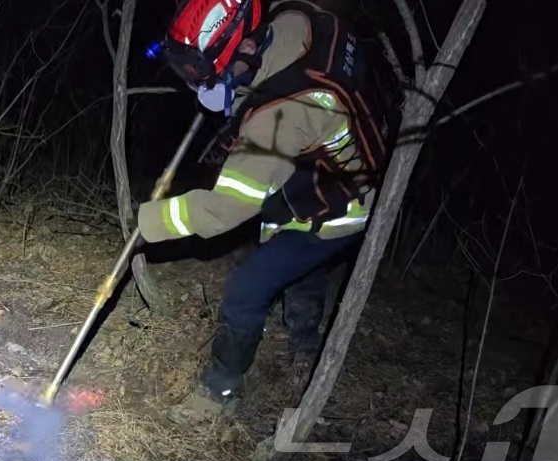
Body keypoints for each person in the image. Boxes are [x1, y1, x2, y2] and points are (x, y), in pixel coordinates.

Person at [135, 0, 398, 425]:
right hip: (324, 165)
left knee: (249, 286)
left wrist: (148, 222)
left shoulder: (276, 118)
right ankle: (303, 340)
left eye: (198, 70)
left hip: (336, 205)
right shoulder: (294, 16)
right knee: (289, 251)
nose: (192, 81)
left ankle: (220, 390)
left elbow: (224, 211)